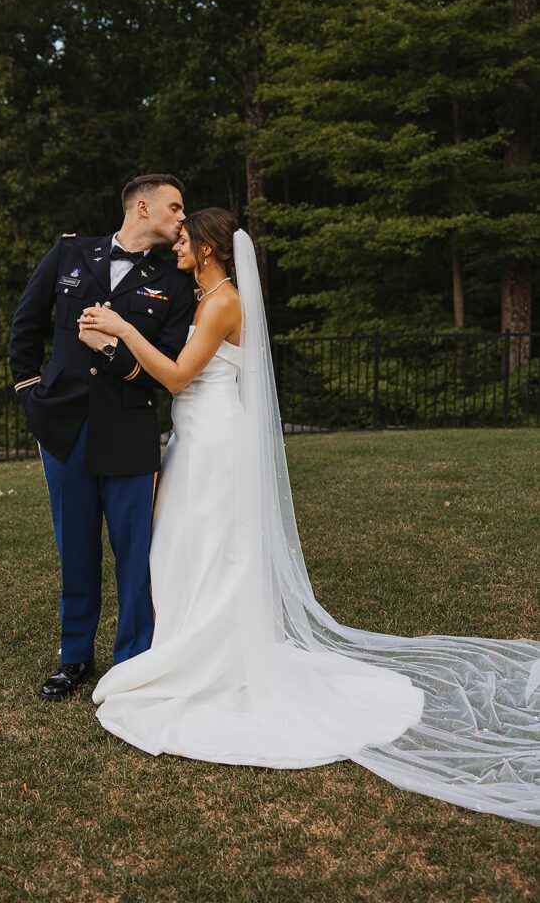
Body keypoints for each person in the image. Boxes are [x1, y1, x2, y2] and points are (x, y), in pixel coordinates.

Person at [79, 209, 540, 827]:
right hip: (194, 441)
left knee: (208, 549)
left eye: (186, 238)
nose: (176, 243)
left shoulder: (223, 304)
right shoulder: (207, 295)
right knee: (182, 549)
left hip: (215, 446)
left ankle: (206, 659)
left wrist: (119, 331)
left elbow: (179, 377)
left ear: (212, 248)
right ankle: (186, 648)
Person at [9, 174, 194, 700]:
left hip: (129, 431)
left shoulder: (175, 282)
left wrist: (115, 352)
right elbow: (25, 328)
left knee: (135, 553)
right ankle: (74, 660)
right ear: (143, 206)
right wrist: (32, 399)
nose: (183, 217)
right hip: (63, 429)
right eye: (175, 207)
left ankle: (132, 661)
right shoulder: (70, 253)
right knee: (77, 547)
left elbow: (170, 363)